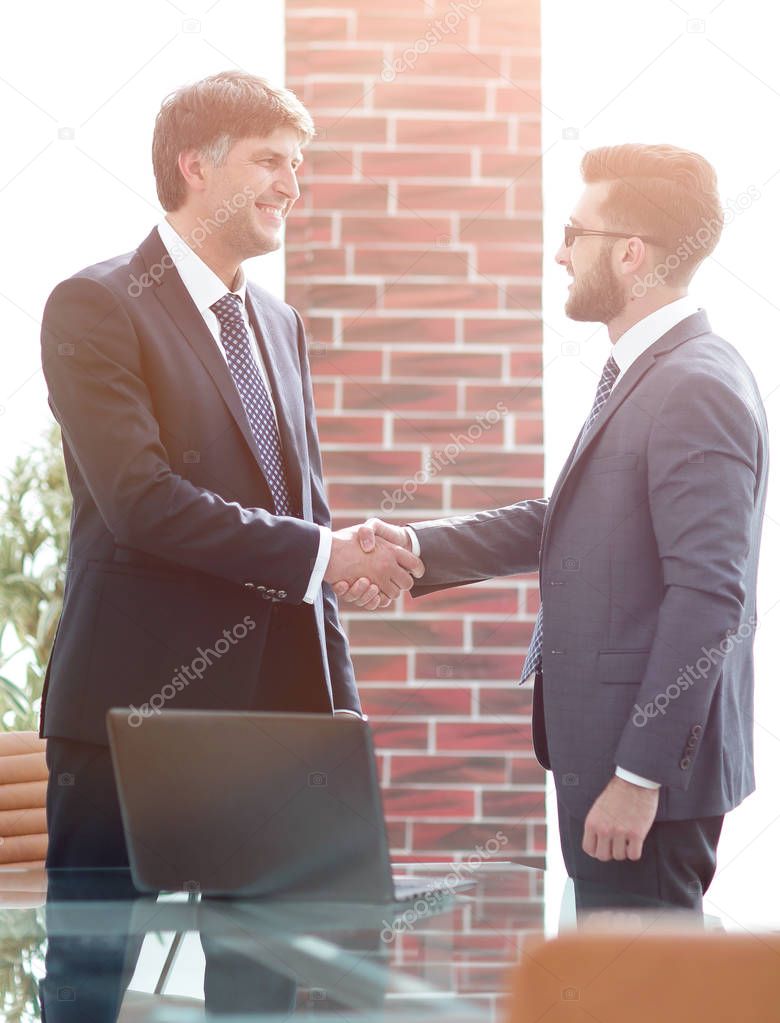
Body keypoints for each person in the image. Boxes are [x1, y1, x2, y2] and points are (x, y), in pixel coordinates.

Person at [337, 144, 768, 910]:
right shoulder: (647, 371)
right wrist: (420, 547)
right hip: (611, 767)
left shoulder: (694, 385)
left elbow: (708, 599)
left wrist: (639, 777)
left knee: (648, 993)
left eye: (575, 232)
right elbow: (569, 519)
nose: (559, 252)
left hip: (642, 786)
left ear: (631, 254)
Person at [39, 70, 423, 872]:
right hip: (135, 710)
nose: (292, 183)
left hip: (283, 713)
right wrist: (327, 554)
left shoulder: (280, 325)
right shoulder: (96, 304)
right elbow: (141, 501)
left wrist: (338, 700)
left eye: (296, 165)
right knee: (89, 980)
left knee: (266, 988)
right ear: (195, 167)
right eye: (269, 161)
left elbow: (306, 519)